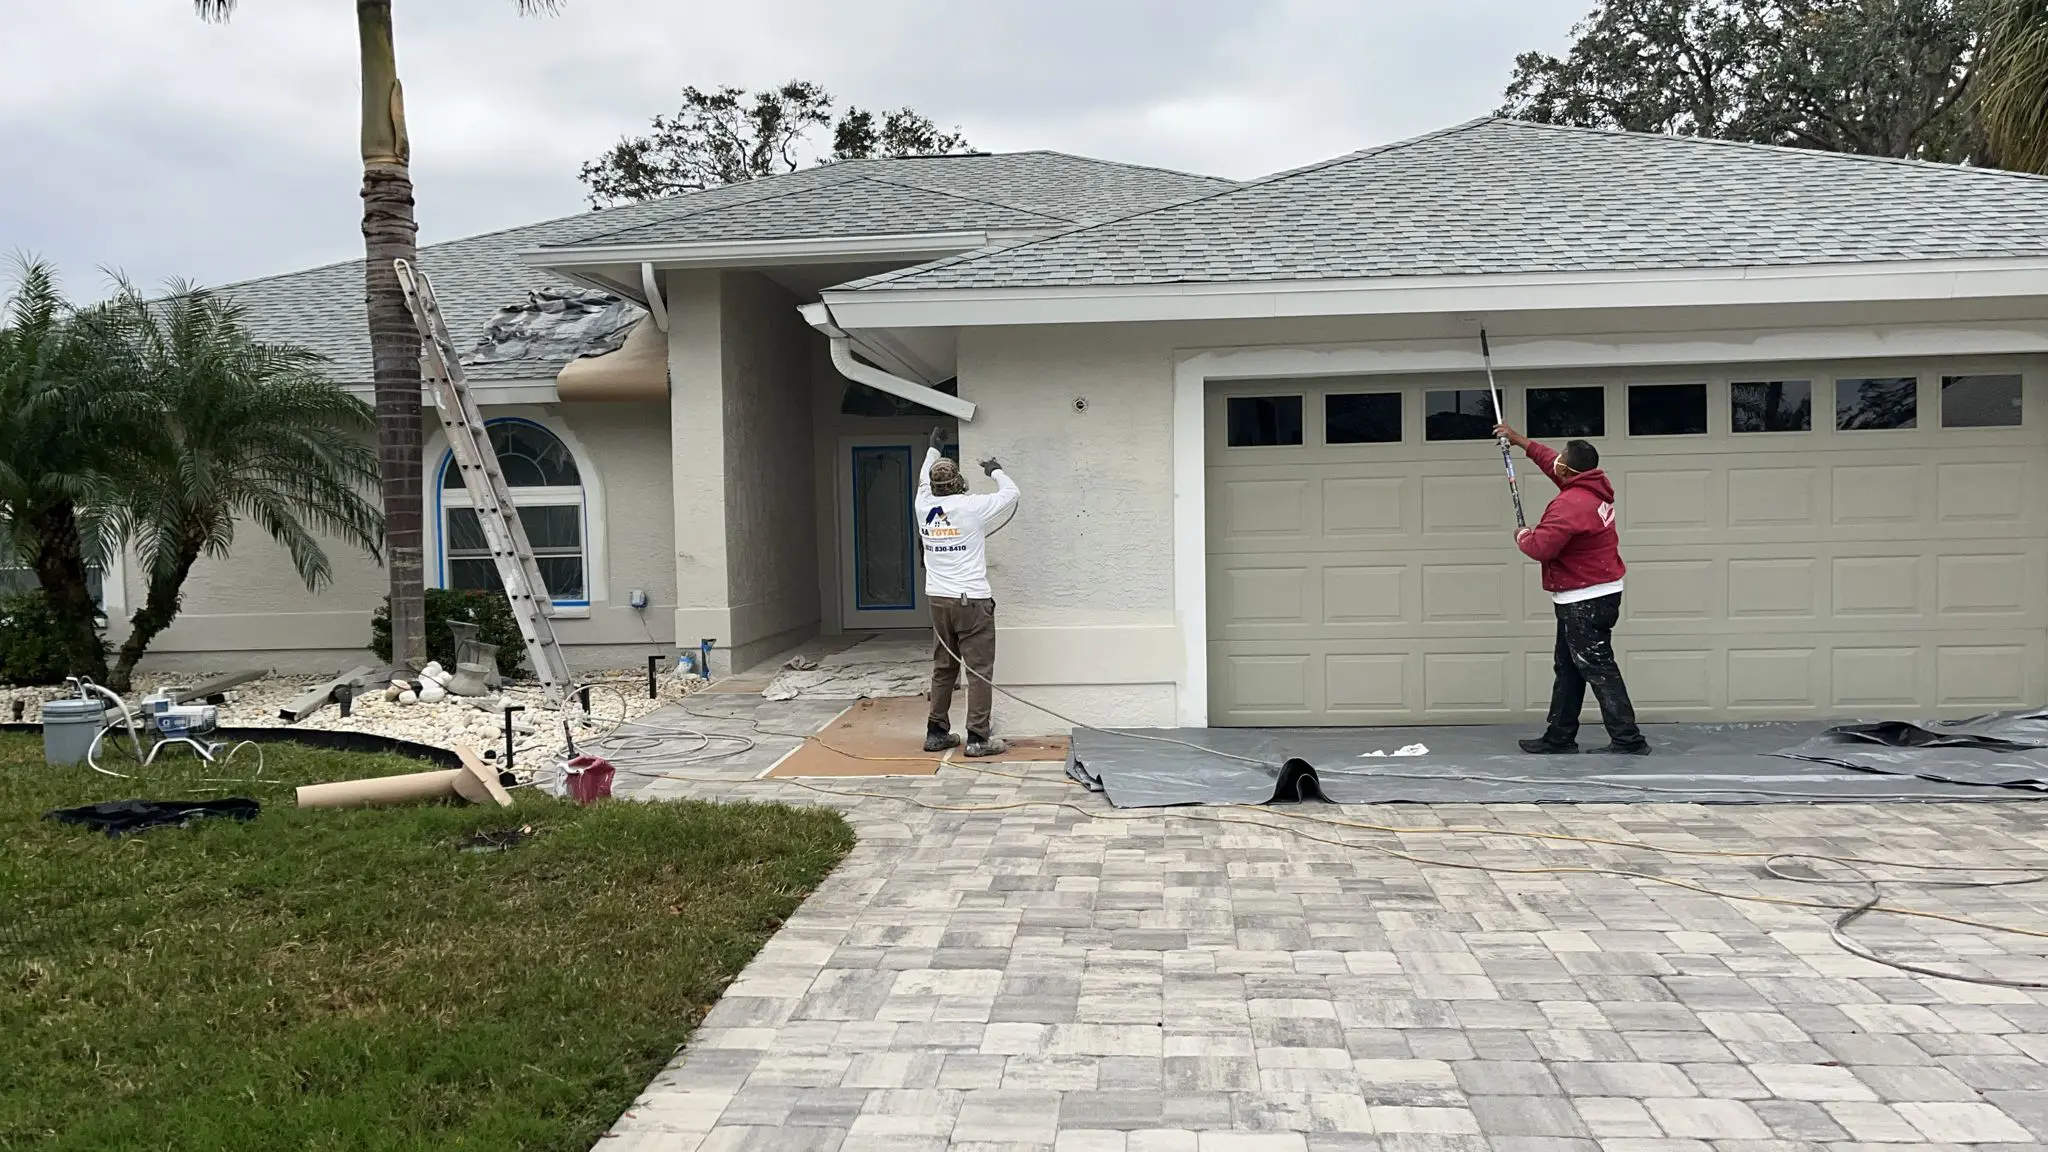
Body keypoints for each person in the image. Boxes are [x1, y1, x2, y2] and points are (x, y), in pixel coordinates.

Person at [1493, 423, 1649, 755]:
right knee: (1569, 667)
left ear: (1570, 469)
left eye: (1561, 458)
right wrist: (1519, 441)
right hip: (1593, 593)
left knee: (1597, 667)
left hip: (1584, 600)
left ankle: (1629, 740)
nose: (1556, 461)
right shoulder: (1591, 487)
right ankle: (1559, 737)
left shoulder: (1570, 505)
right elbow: (1551, 461)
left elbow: (1540, 548)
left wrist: (1522, 536)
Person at [916, 425, 1020, 757]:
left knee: (944, 667)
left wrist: (933, 449)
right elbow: (1012, 493)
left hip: (938, 602)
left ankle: (936, 733)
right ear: (959, 482)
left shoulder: (923, 503)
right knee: (978, 672)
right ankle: (977, 739)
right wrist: (995, 470)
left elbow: (923, 478)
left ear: (933, 486)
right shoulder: (972, 506)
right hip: (971, 603)